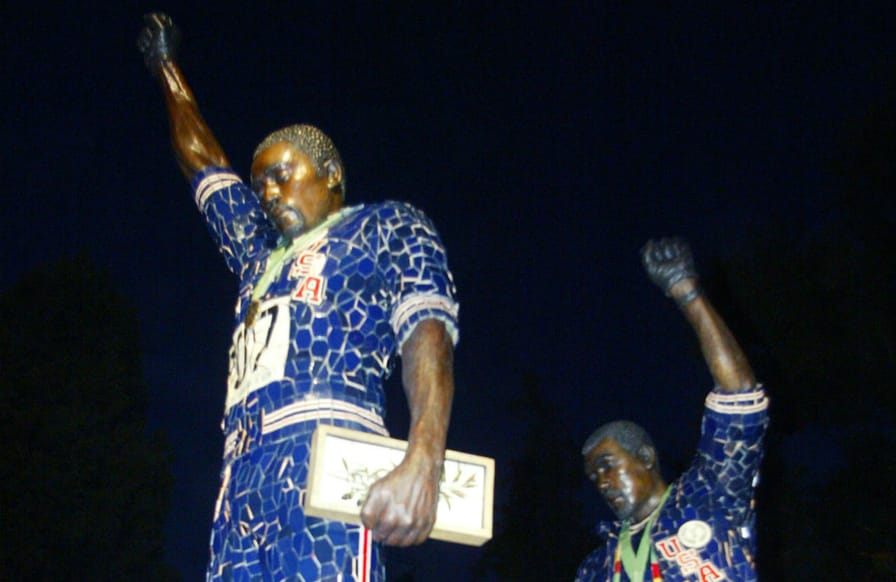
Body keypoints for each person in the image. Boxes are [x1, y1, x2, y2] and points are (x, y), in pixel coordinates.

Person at [138, 13, 459, 582]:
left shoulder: (384, 226)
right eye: (260, 183)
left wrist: (425, 456)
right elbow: (203, 163)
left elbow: (426, 331)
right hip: (240, 480)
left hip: (325, 462)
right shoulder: (259, 259)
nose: (268, 192)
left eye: (283, 174)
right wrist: (166, 68)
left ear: (332, 174)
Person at [576, 238, 769, 581]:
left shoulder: (708, 495)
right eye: (594, 477)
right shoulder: (596, 568)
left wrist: (686, 292)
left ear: (647, 457)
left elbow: (740, 399)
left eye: (607, 466)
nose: (603, 483)